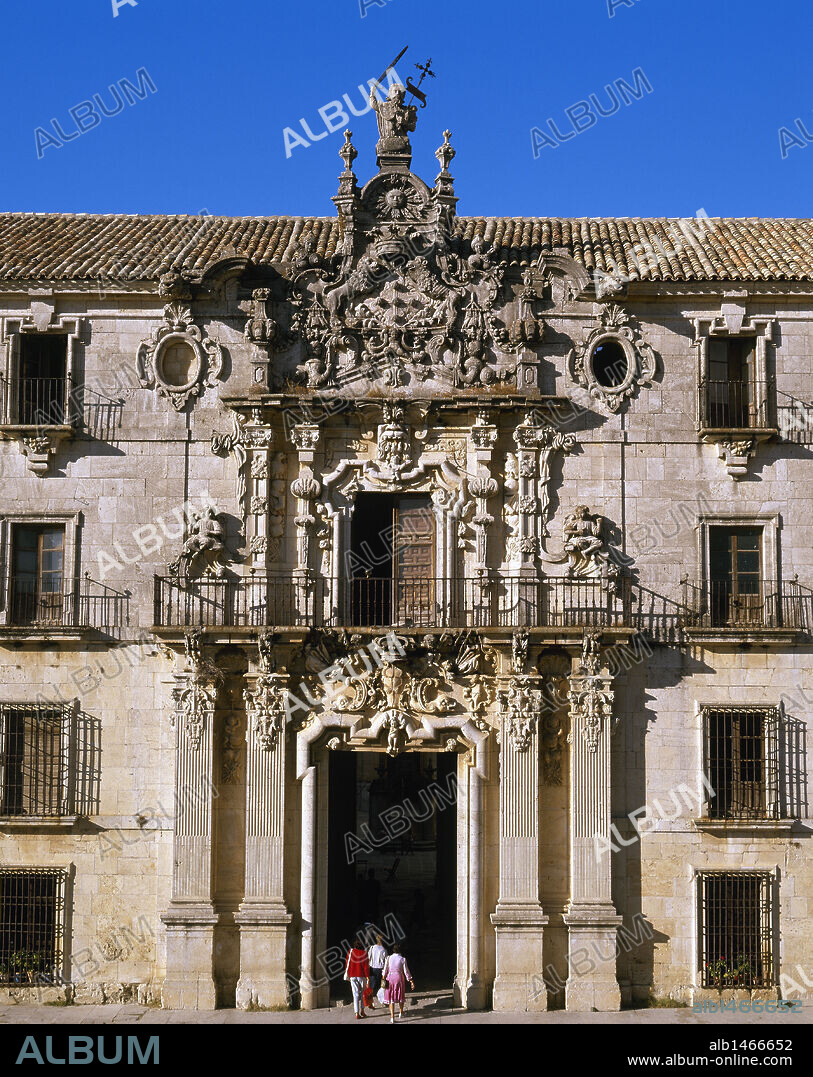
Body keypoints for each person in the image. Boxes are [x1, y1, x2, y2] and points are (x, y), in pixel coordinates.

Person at [382, 942, 414, 1023]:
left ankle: (392, 1017)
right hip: (399, 978)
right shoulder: (403, 959)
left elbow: (385, 970)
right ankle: (401, 1012)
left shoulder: (388, 958)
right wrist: (411, 980)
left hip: (390, 978)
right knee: (400, 996)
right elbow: (406, 971)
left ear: (393, 950)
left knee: (391, 998)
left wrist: (383, 978)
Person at [344, 938, 370, 1020]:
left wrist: (348, 972)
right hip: (361, 976)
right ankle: (362, 1011)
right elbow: (366, 967)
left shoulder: (350, 952)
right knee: (362, 994)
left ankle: (356, 1013)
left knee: (355, 994)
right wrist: (368, 977)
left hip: (352, 975)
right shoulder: (364, 953)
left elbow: (347, 963)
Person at [367, 934, 387, 1007]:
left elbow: (368, 957)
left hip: (372, 968)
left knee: (371, 986)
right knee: (382, 985)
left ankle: (370, 1002)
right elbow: (386, 960)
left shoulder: (372, 948)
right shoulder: (384, 950)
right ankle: (383, 999)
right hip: (381, 969)